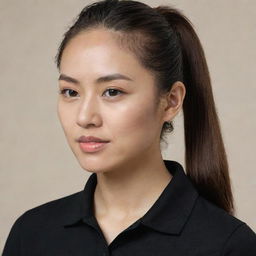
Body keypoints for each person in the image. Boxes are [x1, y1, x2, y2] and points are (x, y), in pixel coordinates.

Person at [3, 0, 256, 255]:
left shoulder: (228, 245)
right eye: (71, 92)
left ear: (171, 101)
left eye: (112, 92)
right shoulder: (32, 234)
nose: (84, 117)